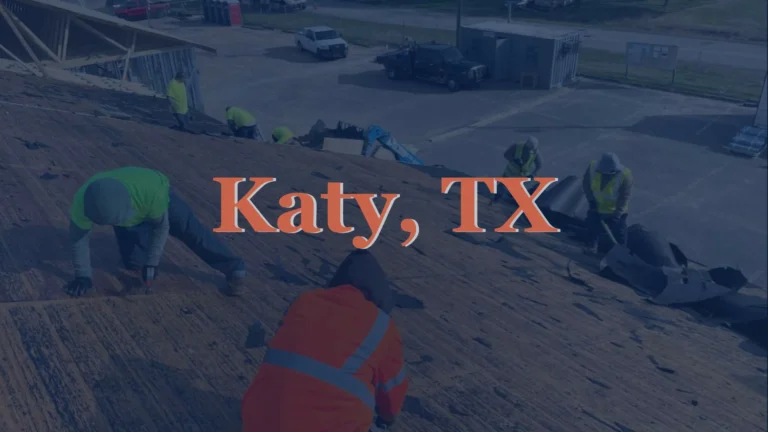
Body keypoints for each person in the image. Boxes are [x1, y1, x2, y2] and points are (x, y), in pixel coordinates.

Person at [241, 250, 408, 432]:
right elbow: (392, 396)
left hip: (257, 423)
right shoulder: (382, 325)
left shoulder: (305, 301)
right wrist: (386, 419)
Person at [65, 167, 247, 297]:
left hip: (156, 192)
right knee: (133, 263)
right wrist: (83, 276)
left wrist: (152, 263)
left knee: (190, 231)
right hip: (130, 207)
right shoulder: (83, 203)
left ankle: (234, 268)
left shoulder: (151, 196)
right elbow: (78, 240)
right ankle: (138, 249)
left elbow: (161, 228)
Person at [582, 152, 633, 253]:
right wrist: (591, 200)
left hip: (615, 211)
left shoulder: (625, 176)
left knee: (618, 234)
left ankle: (620, 253)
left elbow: (624, 197)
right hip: (597, 207)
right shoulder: (592, 168)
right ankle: (591, 247)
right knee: (592, 227)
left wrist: (617, 214)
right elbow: (586, 184)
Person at [493, 136, 542, 203]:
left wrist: (533, 173)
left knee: (518, 190)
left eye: (532, 149)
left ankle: (512, 201)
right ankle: (496, 199)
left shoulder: (535, 152)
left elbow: (539, 165)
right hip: (510, 172)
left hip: (521, 175)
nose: (530, 151)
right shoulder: (517, 146)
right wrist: (514, 159)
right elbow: (506, 154)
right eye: (529, 149)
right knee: (502, 187)